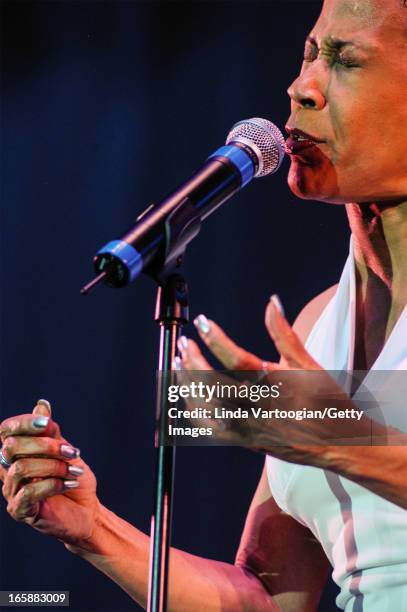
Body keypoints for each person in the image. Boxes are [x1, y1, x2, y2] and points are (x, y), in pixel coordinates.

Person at [1, 0, 407, 609]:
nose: (301, 88)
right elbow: (268, 598)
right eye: (309, 54)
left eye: (346, 61)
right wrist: (94, 531)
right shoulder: (319, 323)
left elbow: (341, 439)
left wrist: (339, 438)